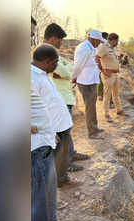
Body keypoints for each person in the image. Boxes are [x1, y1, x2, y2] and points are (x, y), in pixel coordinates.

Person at [43, 23, 90, 173]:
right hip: (58, 99)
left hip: (65, 97)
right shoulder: (44, 52)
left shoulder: (54, 53)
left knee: (66, 130)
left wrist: (65, 71)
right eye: (60, 40)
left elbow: (69, 69)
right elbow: (64, 71)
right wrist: (65, 71)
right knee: (61, 133)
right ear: (52, 38)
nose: (61, 43)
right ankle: (63, 166)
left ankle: (70, 155)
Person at [31, 44, 61, 221]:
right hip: (37, 147)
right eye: (56, 62)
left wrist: (52, 132)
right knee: (43, 199)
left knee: (43, 195)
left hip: (44, 141)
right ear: (47, 61)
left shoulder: (38, 75)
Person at [71, 29, 105, 139]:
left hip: (91, 80)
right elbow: (78, 66)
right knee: (89, 106)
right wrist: (74, 77)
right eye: (99, 41)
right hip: (85, 82)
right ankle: (92, 132)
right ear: (93, 39)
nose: (99, 43)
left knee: (92, 105)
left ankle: (94, 127)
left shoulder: (91, 48)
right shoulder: (84, 49)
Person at [95, 32, 124, 123]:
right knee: (107, 95)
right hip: (108, 75)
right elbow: (96, 58)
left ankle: (119, 110)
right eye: (117, 41)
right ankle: (106, 114)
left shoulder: (113, 48)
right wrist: (102, 71)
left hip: (115, 74)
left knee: (116, 94)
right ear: (113, 40)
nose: (117, 42)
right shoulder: (103, 47)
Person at [97, 32, 109, 101]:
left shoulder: (98, 43)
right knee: (104, 81)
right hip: (104, 64)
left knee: (100, 81)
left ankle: (100, 95)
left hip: (99, 64)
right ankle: (103, 96)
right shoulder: (104, 43)